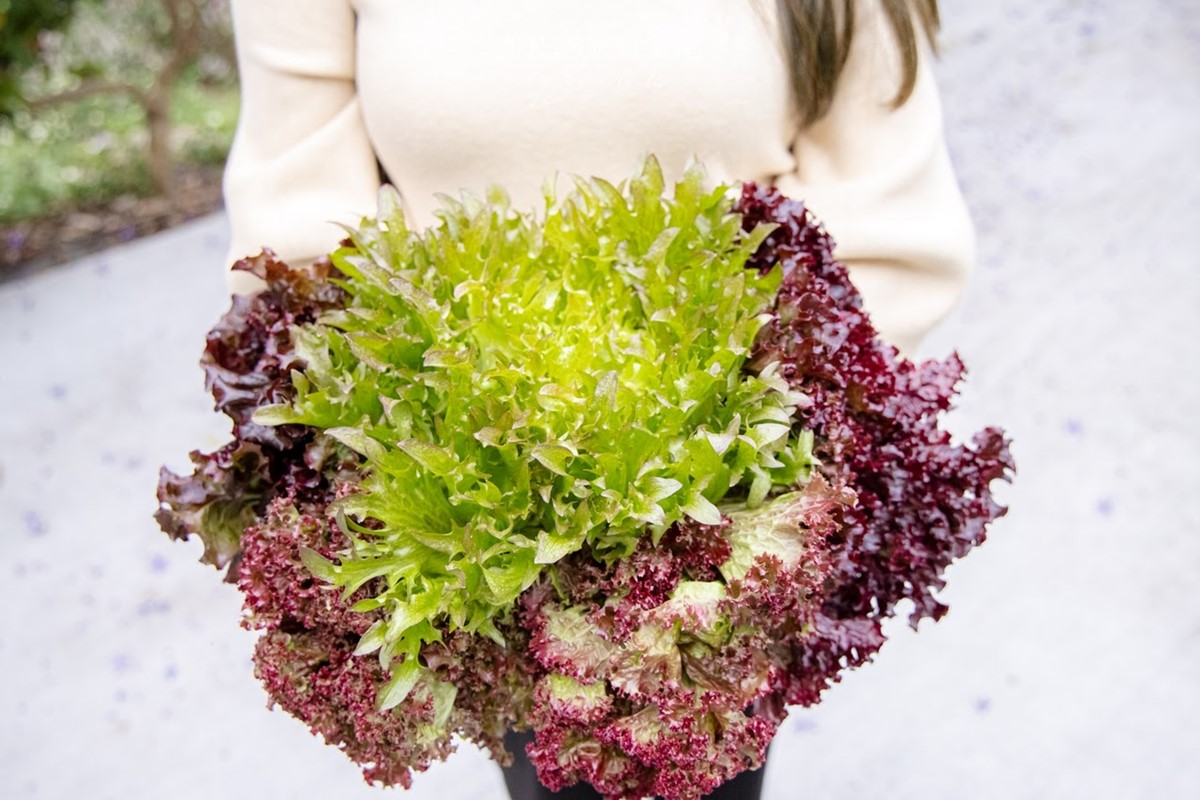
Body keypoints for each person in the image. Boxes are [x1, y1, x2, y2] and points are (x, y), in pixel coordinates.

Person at [222, 1, 971, 797]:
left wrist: (734, 492)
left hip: (727, 507)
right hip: (470, 531)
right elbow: (295, 225)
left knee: (689, 766)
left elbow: (883, 228)